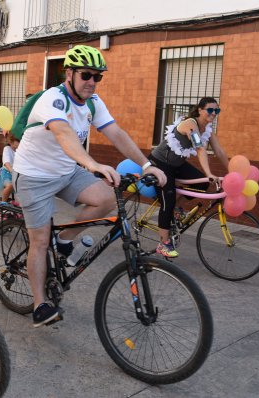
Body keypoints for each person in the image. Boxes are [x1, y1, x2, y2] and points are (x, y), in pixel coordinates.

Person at [12, 45, 167, 327]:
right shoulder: (53, 99)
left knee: (108, 197)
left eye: (98, 77)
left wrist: (147, 165)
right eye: (86, 75)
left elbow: (116, 133)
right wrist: (92, 164)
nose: (92, 82)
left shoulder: (93, 102)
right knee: (40, 240)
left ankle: (66, 239)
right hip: (33, 176)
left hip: (66, 171)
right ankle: (40, 303)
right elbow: (63, 133)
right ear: (69, 73)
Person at [148, 96, 229, 258]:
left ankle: (177, 207)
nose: (214, 113)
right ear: (200, 109)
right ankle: (163, 244)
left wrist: (231, 171)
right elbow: (199, 149)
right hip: (160, 163)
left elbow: (219, 151)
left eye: (217, 110)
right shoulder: (190, 124)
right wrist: (209, 173)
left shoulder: (208, 129)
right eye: (210, 110)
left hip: (177, 165)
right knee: (167, 200)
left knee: (202, 184)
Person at [0, 133, 20, 203]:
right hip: (6, 173)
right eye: (18, 141)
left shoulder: (20, 151)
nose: (20, 143)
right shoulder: (7, 149)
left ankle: (20, 205)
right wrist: (11, 170)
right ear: (11, 141)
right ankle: (3, 202)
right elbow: (6, 162)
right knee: (10, 186)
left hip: (17, 174)